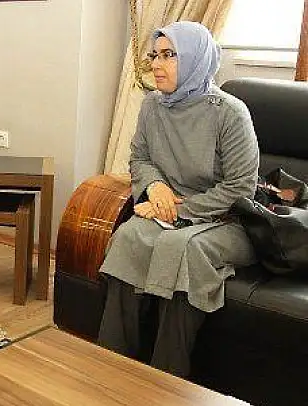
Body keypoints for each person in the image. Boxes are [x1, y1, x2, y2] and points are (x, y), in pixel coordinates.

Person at [96, 21, 259, 377]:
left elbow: (240, 188)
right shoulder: (152, 106)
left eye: (168, 55)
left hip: (227, 221)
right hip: (167, 212)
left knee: (182, 248)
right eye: (154, 55)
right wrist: (155, 187)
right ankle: (111, 367)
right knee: (128, 236)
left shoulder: (230, 113)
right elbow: (140, 158)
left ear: (195, 58)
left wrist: (178, 209)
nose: (156, 64)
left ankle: (165, 380)